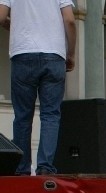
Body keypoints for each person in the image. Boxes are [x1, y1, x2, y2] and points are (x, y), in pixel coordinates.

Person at [0, 0, 76, 175]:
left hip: (22, 54)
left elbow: (1, 17)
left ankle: (22, 169)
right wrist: (70, 53)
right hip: (54, 55)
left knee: (22, 116)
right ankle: (45, 168)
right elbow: (70, 21)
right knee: (50, 115)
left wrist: (17, 25)